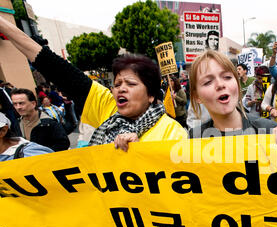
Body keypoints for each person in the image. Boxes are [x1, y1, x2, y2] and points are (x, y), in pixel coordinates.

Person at [0, 15, 187, 153]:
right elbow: (55, 68)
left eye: (130, 83)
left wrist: (138, 154)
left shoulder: (173, 132)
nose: (121, 88)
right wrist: (5, 26)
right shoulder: (107, 106)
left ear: (151, 94)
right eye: (117, 83)